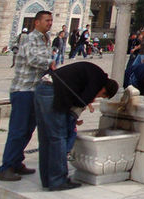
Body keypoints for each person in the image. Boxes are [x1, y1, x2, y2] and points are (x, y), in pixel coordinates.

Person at [34, 60, 118, 191]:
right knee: (59, 137)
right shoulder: (98, 80)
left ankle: (47, 179)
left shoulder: (94, 73)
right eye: (101, 95)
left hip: (43, 88)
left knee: (46, 138)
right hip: (53, 92)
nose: (96, 97)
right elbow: (82, 101)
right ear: (104, 89)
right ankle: (58, 180)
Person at [0, 10, 54, 182]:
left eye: (51, 20)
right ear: (36, 22)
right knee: (18, 130)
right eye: (46, 20)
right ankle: (6, 167)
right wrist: (50, 63)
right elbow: (31, 59)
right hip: (23, 90)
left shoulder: (46, 39)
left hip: (35, 90)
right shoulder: (29, 38)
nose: (50, 23)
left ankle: (16, 161)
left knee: (28, 130)